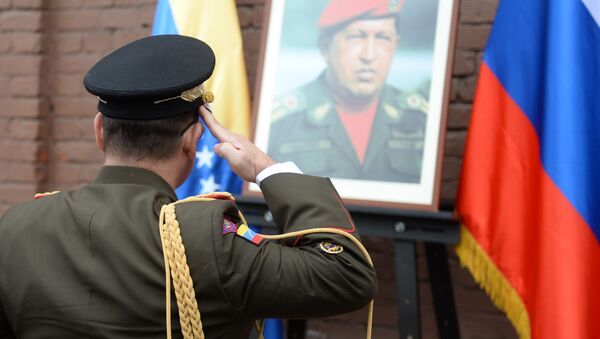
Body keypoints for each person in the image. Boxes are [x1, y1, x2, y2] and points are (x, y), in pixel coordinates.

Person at [0, 35, 376, 338]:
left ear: (99, 131)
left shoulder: (17, 226)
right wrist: (267, 168)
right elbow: (346, 272)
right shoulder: (205, 237)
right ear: (192, 139)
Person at [268, 0, 428, 183]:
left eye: (383, 38)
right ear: (325, 48)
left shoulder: (421, 120)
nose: (369, 56)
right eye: (356, 37)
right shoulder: (280, 123)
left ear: (395, 46)